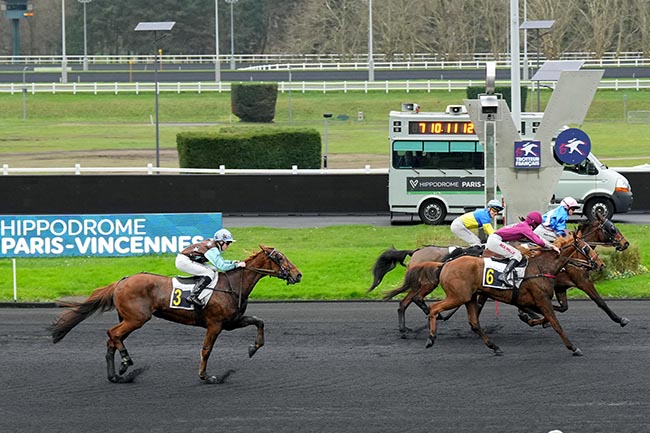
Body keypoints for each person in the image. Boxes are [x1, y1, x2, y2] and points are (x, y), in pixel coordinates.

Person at [486, 211, 561, 286]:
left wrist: (551, 245)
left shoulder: (524, 225)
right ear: (533, 223)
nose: (537, 227)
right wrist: (551, 246)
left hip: (496, 239)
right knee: (517, 255)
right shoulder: (525, 228)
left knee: (516, 254)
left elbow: (537, 236)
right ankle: (503, 275)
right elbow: (538, 241)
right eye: (537, 224)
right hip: (495, 241)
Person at [175, 228, 246, 306]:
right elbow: (222, 266)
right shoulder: (212, 249)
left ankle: (202, 289)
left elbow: (220, 263)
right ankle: (193, 296)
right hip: (183, 261)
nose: (228, 245)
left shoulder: (213, 244)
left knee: (213, 269)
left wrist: (233, 262)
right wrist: (236, 265)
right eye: (228, 243)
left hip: (190, 259)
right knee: (209, 273)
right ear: (221, 242)